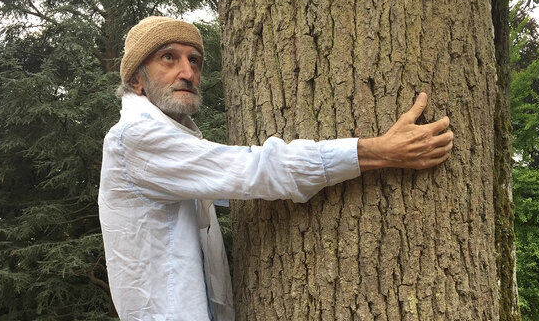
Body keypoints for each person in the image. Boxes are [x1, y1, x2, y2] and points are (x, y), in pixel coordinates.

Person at [99, 16, 454, 321]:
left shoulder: (171, 142)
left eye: (194, 60)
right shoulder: (136, 137)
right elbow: (258, 169)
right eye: (168, 58)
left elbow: (235, 184)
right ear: (137, 80)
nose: (187, 72)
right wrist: (378, 151)